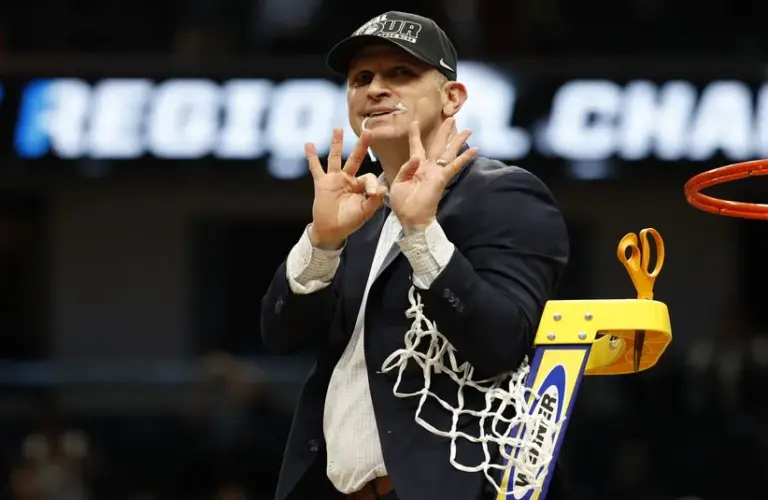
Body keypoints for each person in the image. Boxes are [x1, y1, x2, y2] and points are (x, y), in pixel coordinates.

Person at [261, 11, 570, 500]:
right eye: (361, 78)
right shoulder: (355, 212)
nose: (375, 88)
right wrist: (321, 241)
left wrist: (421, 228)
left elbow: (500, 344)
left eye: (400, 74)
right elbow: (279, 335)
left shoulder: (506, 195)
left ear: (453, 97)